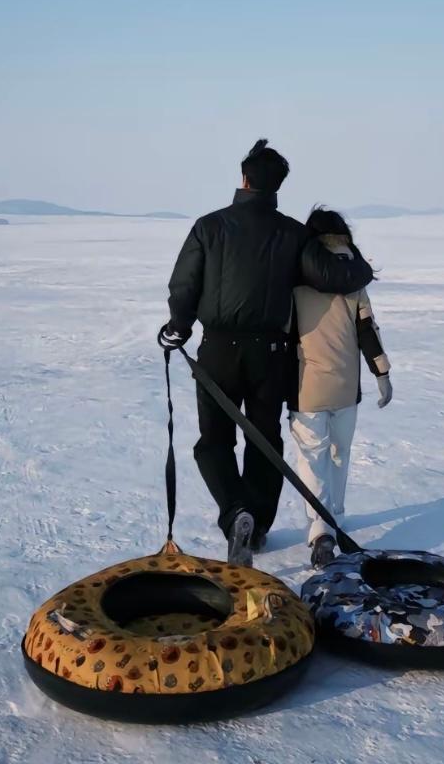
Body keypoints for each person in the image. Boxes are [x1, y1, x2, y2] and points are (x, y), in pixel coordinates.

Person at [160, 140, 374, 565]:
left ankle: (235, 512)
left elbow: (184, 285)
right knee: (264, 441)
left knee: (214, 442)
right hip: (270, 354)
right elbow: (330, 275)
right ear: (277, 186)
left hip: (218, 351)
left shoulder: (209, 226)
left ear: (243, 179)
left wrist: (177, 327)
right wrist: (363, 268)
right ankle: (255, 526)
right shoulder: (293, 233)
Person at [290, 207, 393, 569]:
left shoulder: (296, 271)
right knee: (339, 452)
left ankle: (320, 529)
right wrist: (381, 372)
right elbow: (367, 328)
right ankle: (334, 514)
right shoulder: (354, 275)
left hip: (305, 385)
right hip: (347, 385)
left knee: (311, 456)